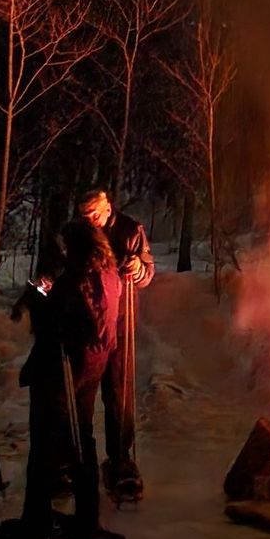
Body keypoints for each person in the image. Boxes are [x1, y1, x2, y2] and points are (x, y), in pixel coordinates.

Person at [0, 218, 125, 539]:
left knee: (45, 446)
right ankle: (87, 519)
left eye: (66, 246)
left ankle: (33, 528)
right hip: (92, 367)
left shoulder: (76, 280)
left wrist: (37, 294)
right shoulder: (110, 277)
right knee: (82, 438)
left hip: (62, 370)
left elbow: (52, 316)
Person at [75, 188, 154, 494]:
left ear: (107, 208)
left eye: (94, 214)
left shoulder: (131, 231)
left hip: (120, 321)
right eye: (84, 215)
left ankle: (120, 458)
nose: (90, 220)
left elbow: (148, 273)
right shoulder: (79, 234)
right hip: (86, 324)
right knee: (82, 392)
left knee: (119, 392)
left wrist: (139, 269)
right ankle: (75, 457)